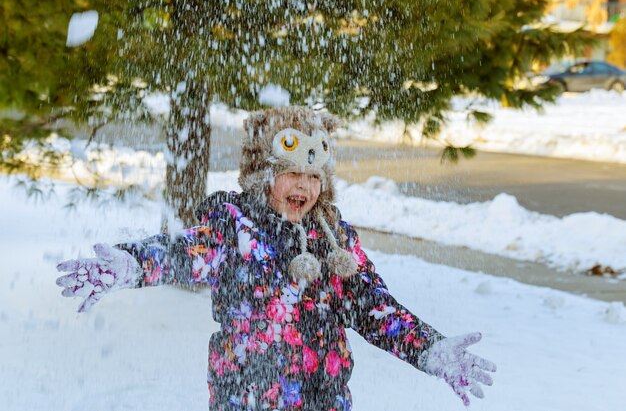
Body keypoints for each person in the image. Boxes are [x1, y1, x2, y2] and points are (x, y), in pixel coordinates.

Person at [57, 106, 496, 411]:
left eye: (312, 175)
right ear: (264, 176)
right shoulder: (235, 229)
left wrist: (430, 349)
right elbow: (181, 252)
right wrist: (133, 263)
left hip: (325, 398)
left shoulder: (335, 243)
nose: (302, 184)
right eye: (290, 172)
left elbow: (374, 307)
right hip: (245, 399)